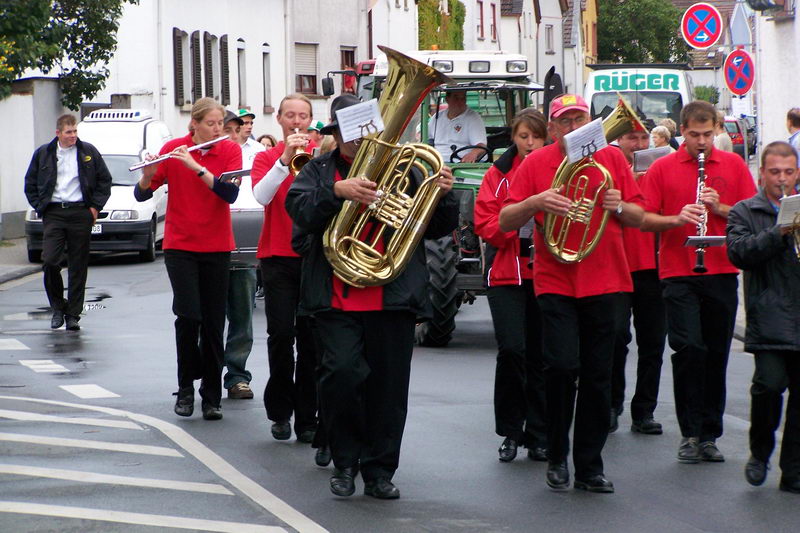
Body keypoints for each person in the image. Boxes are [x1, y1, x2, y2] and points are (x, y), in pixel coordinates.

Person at [286, 94, 458, 499]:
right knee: (341, 376)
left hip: (391, 294)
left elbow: (434, 230)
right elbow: (301, 213)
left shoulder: (407, 169)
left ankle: (379, 470)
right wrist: (337, 191)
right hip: (336, 296)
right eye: (350, 134)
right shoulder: (319, 169)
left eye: (365, 133)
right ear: (338, 134)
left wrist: (444, 195)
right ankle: (345, 462)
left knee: (389, 388)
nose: (358, 141)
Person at [499, 94, 645, 494]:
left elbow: (639, 216)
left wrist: (618, 206)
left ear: (591, 122)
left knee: (599, 376)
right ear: (552, 129)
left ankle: (589, 466)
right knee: (561, 367)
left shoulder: (612, 160)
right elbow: (504, 219)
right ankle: (557, 453)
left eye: (578, 119)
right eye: (564, 122)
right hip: (556, 280)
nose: (572, 127)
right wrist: (534, 201)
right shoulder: (537, 163)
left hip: (608, 281)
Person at [639, 100, 757, 464]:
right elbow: (643, 219)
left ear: (716, 130)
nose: (702, 142)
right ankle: (690, 433)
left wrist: (720, 208)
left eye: (708, 135)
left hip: (720, 270)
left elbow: (754, 216)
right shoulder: (662, 168)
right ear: (682, 132)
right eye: (694, 135)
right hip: (677, 272)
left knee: (717, 353)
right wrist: (677, 219)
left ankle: (709, 435)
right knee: (688, 349)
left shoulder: (734, 165)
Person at [134, 97, 242, 420]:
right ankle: (185, 389)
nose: (217, 129)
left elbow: (229, 194)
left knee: (213, 322)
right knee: (188, 316)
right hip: (180, 245)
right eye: (211, 123)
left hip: (217, 245)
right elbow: (142, 192)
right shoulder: (175, 147)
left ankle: (211, 396)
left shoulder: (230, 150)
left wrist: (196, 167)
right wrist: (148, 173)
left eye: (220, 123)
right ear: (194, 124)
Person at [474, 108, 548, 463]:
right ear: (514, 138)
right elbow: (486, 223)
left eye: (536, 136)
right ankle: (509, 431)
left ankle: (538, 432)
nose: (530, 143)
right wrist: (519, 218)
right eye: (523, 137)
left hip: (547, 272)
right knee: (512, 350)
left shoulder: (555, 169)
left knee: (541, 355)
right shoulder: (498, 173)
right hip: (507, 271)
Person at [726, 140, 800, 493]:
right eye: (774, 173)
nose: (781, 179)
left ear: (797, 173)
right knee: (768, 387)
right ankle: (760, 453)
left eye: (788, 172)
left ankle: (794, 470)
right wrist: (778, 233)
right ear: (762, 174)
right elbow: (739, 253)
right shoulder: (745, 211)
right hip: (769, 315)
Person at [250, 93, 318, 443]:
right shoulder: (266, 157)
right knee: (280, 337)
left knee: (311, 340)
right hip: (277, 256)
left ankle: (308, 417)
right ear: (278, 119)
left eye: (303, 116)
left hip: (315, 258)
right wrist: (286, 159)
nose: (296, 121)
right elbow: (261, 197)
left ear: (310, 120)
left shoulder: (323, 155)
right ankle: (280, 412)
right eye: (290, 115)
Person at [24, 114, 112, 331]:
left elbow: (104, 180)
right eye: (68, 132)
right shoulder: (44, 154)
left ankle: (73, 314)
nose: (73, 136)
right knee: (51, 262)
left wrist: (94, 207)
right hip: (54, 212)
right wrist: (41, 206)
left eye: (75, 132)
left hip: (80, 212)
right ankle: (57, 307)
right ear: (58, 134)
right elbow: (30, 183)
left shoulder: (87, 152)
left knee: (78, 265)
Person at [610, 126, 668, 435]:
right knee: (616, 337)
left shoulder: (659, 171)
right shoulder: (610, 170)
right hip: (618, 265)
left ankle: (644, 410)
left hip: (655, 267)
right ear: (619, 140)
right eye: (633, 138)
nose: (640, 144)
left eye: (644, 138)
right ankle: (611, 402)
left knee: (653, 343)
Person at [221, 109, 257, 401]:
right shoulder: (207, 155)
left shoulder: (256, 153)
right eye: (227, 130)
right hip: (210, 244)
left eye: (236, 129)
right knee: (206, 317)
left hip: (244, 240)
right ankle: (207, 372)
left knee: (242, 317)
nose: (233, 135)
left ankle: (236, 376)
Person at [428, 90, 487, 163]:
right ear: (447, 99)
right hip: (437, 163)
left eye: (463, 98)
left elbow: (481, 146)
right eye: (456, 98)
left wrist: (473, 154)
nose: (460, 102)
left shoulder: (473, 118)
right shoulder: (436, 118)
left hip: (461, 164)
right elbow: (427, 140)